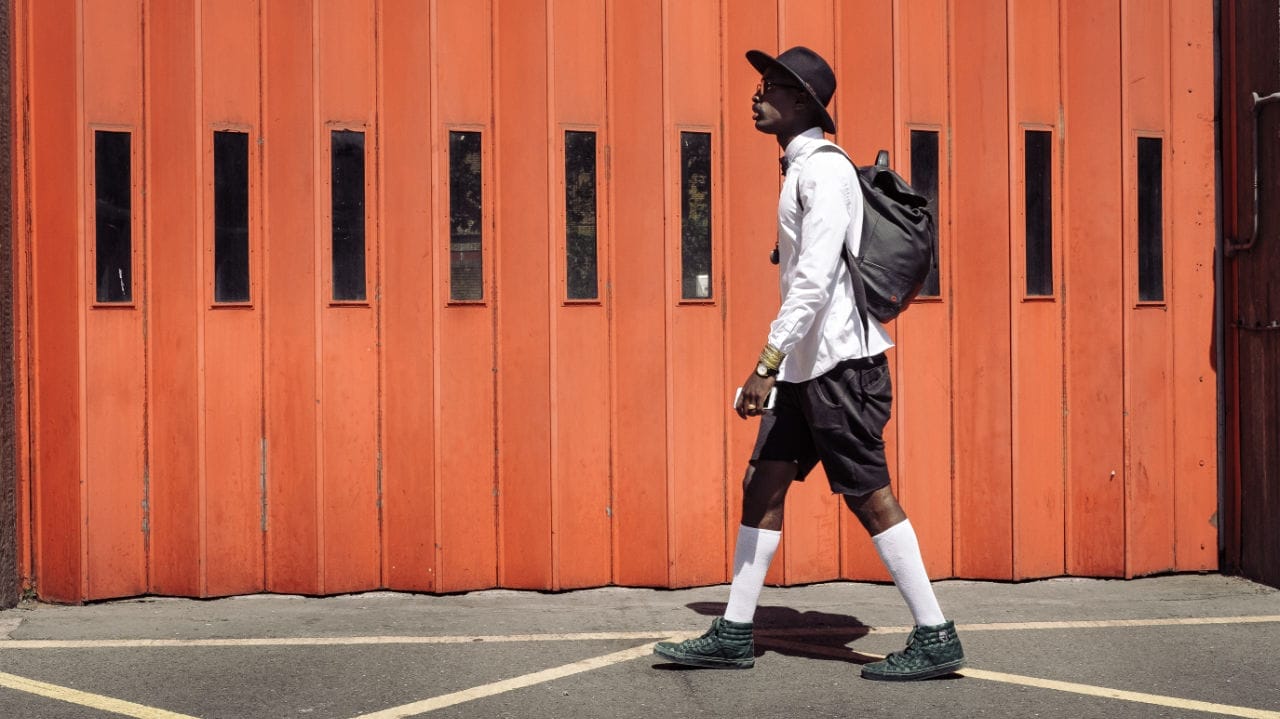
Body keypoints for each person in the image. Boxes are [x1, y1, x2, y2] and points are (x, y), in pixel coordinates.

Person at [653, 46, 964, 682]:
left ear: (803, 103)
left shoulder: (823, 173)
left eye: (770, 87)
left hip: (840, 369)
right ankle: (735, 631)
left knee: (870, 497)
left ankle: (936, 635)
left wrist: (766, 360)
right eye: (760, 85)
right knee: (761, 484)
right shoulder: (801, 169)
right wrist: (781, 364)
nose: (756, 95)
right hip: (806, 369)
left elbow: (816, 279)